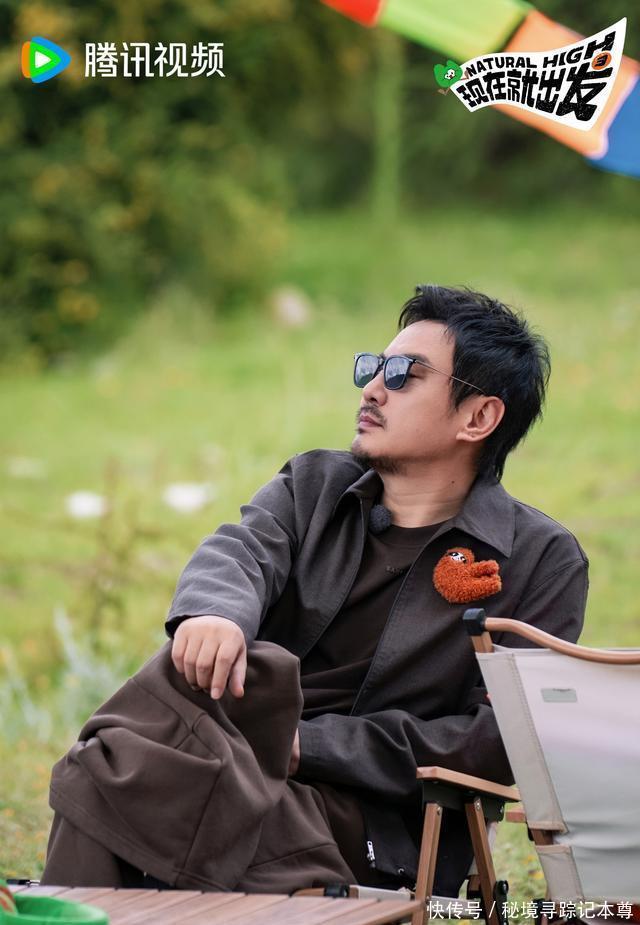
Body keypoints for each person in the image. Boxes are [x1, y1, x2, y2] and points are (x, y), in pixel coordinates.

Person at [42, 284, 588, 896]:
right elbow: (242, 549)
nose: (372, 388)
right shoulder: (314, 485)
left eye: (404, 374)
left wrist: (310, 745)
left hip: (380, 824)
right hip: (237, 764)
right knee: (130, 750)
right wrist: (215, 615)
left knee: (111, 776)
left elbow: (501, 741)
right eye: (372, 367)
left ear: (479, 417)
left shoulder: (540, 560)